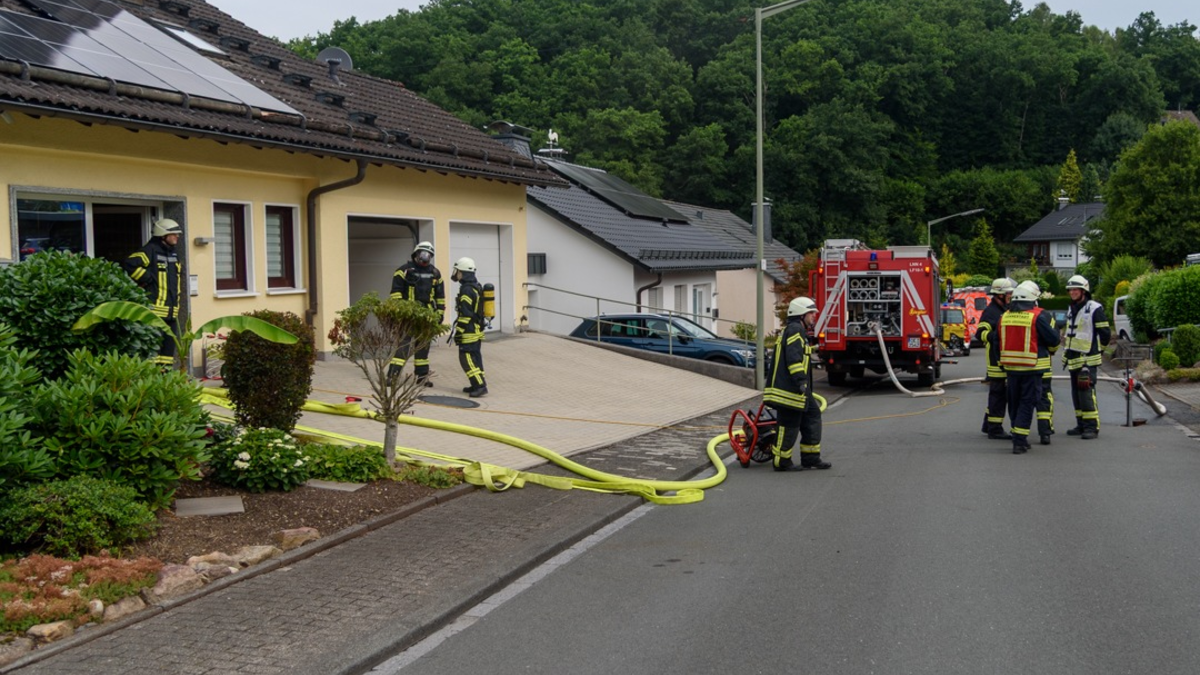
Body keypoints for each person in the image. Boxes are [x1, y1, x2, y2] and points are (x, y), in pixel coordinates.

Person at [763, 296, 830, 472]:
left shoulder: (796, 330)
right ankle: (781, 461)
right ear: (801, 314)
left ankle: (811, 458)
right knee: (789, 425)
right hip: (790, 390)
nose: (814, 316)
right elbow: (794, 359)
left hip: (798, 390)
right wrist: (801, 381)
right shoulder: (794, 330)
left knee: (812, 417)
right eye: (811, 313)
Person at [998, 280, 1060, 455]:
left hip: (1011, 369)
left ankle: (1018, 436)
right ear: (1032, 299)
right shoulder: (1037, 316)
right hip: (1032, 369)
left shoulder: (1005, 317)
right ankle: (1019, 440)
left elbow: (996, 341)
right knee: (1027, 403)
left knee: (1015, 403)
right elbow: (1053, 339)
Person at [122, 218, 183, 369]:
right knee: (154, 353)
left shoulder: (173, 254)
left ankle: (165, 378)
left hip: (171, 313)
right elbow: (128, 265)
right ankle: (153, 379)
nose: (177, 237)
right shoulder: (149, 251)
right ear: (163, 234)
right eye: (174, 234)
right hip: (155, 312)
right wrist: (147, 278)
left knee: (167, 353)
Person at [388, 241, 445, 385]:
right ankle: (392, 377)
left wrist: (439, 314)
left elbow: (440, 296)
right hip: (408, 315)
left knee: (423, 347)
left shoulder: (435, 273)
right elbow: (395, 293)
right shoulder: (404, 271)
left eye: (428, 255)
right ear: (416, 254)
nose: (425, 258)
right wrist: (402, 312)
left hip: (427, 315)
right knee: (403, 346)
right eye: (423, 254)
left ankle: (421, 377)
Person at [1062, 275, 1111, 439]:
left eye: (1075, 289)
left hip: (1088, 359)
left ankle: (1091, 427)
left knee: (1086, 393)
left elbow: (1105, 333)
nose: (1072, 292)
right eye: (1070, 290)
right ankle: (1081, 424)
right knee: (1076, 393)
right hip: (1074, 358)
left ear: (1084, 291)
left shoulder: (1094, 308)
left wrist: (1100, 351)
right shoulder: (1072, 308)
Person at [976, 277, 1015, 440]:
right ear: (999, 295)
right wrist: (996, 335)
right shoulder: (991, 312)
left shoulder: (1003, 309)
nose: (1010, 296)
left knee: (997, 395)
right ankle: (995, 429)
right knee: (998, 396)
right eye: (1008, 294)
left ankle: (988, 425)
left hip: (1001, 360)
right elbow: (980, 334)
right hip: (996, 362)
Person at [450, 257, 487, 397]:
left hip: (469, 331)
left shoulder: (466, 290)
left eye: (458, 271)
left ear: (463, 272)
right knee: (475, 358)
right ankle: (476, 384)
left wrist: (459, 332)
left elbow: (466, 314)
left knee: (466, 358)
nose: (456, 274)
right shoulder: (476, 286)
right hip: (476, 329)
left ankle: (480, 386)